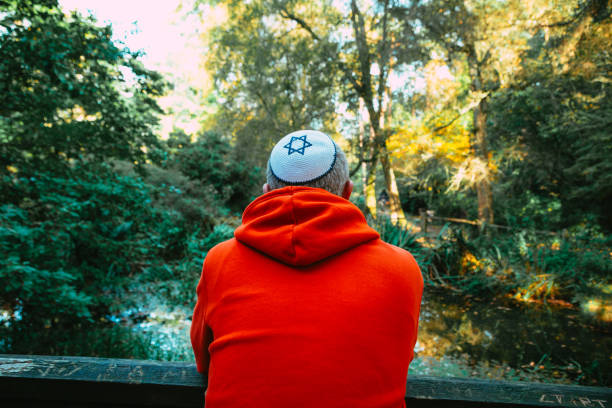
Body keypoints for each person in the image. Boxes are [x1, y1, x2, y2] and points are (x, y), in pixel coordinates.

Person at [191, 130, 423, 408]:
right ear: (347, 192)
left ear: (267, 192)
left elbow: (202, 362)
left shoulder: (220, 260)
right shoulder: (402, 269)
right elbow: (398, 358)